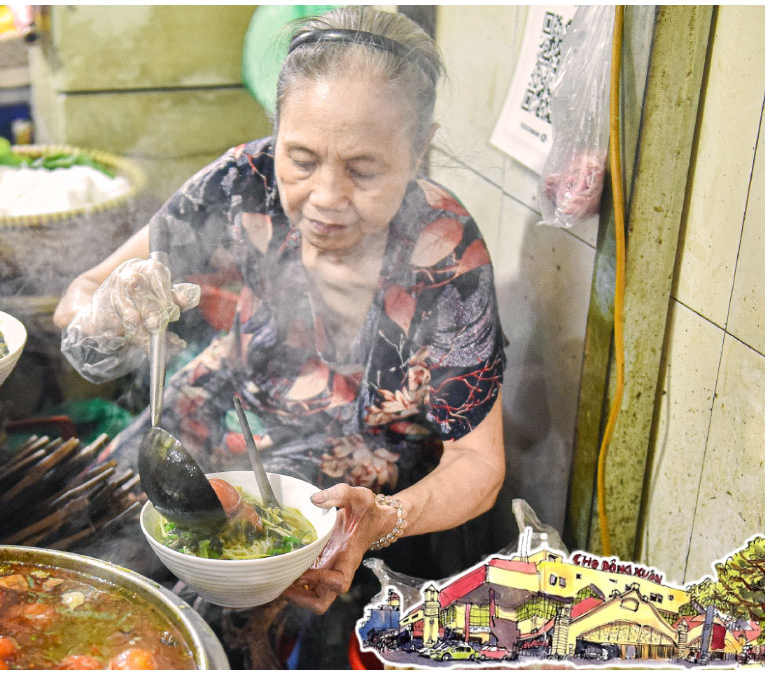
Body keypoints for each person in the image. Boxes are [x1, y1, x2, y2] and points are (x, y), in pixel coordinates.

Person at [54, 3, 506, 643]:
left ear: (419, 150)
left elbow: (479, 465)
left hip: (355, 469)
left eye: (363, 169)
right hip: (223, 402)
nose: (325, 197)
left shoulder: (445, 251)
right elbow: (77, 298)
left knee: (220, 614)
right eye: (301, 158)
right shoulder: (242, 182)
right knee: (85, 537)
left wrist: (385, 518)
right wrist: (112, 308)